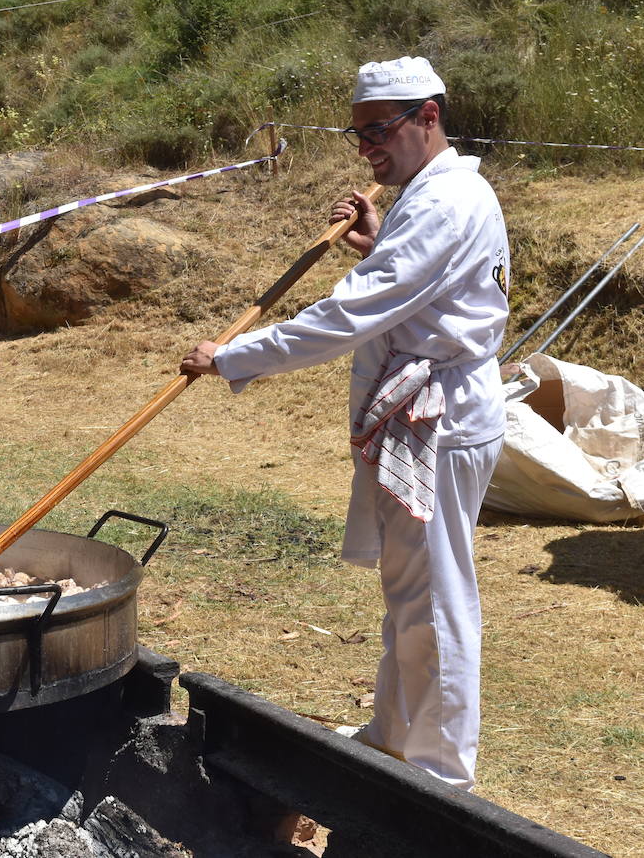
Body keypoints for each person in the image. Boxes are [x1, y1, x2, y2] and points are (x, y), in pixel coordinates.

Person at [179, 56, 510, 790]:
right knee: (409, 592)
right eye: (356, 134)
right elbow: (415, 282)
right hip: (423, 414)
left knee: (437, 597)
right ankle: (394, 738)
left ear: (428, 114)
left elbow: (352, 312)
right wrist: (375, 240)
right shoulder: (431, 198)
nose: (366, 149)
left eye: (378, 130)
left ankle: (441, 773)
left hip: (440, 418)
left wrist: (234, 355)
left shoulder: (449, 202)